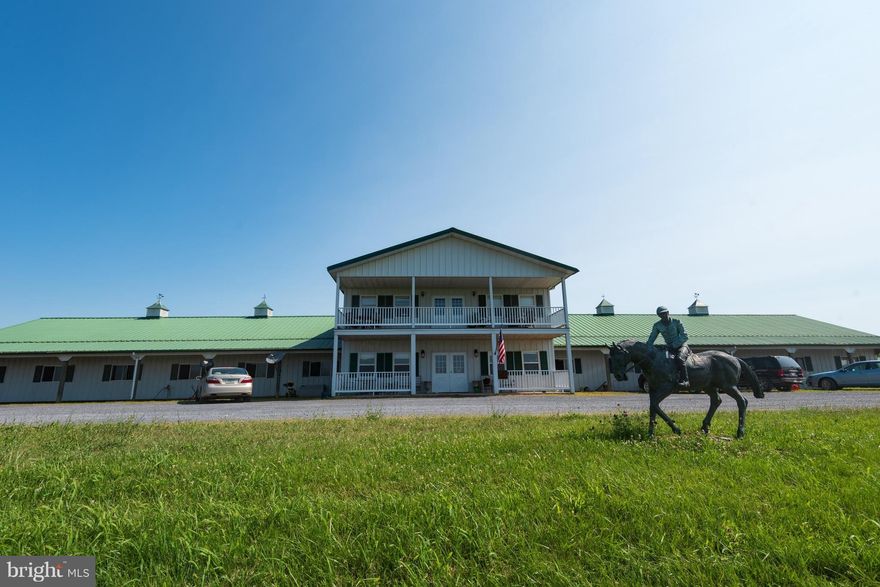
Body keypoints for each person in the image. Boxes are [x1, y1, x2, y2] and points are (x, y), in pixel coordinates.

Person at [647, 306, 690, 387]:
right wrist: (647, 348)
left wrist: (673, 345)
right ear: (659, 315)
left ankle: (685, 380)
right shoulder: (657, 325)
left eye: (665, 313)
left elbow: (685, 336)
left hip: (681, 346)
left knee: (679, 358)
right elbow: (651, 339)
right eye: (661, 314)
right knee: (661, 361)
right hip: (669, 348)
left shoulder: (676, 322)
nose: (664, 315)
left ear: (668, 313)